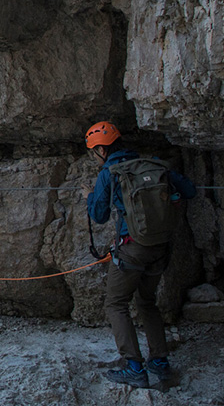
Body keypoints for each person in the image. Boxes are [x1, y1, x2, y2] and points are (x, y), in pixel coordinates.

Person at [83, 121, 196, 387]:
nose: (93, 156)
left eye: (93, 151)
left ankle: (134, 366)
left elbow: (98, 215)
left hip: (131, 249)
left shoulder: (110, 172)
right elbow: (189, 191)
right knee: (147, 302)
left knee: (116, 303)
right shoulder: (155, 165)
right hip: (160, 247)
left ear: (101, 149)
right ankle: (160, 361)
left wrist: (89, 196)